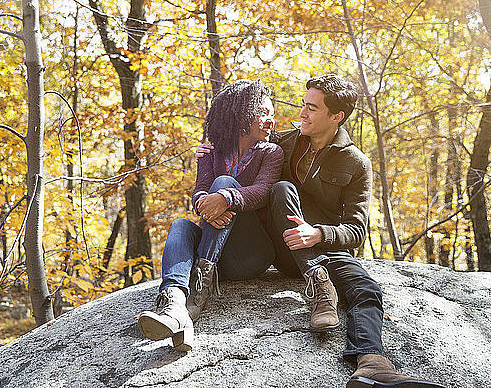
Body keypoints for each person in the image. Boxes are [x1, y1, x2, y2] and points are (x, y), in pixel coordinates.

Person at [197, 74, 444, 388]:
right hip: (280, 244)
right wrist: (210, 150)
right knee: (283, 187)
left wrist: (319, 234)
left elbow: (356, 231)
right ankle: (317, 286)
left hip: (322, 248)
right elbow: (239, 153)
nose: (302, 114)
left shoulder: (357, 163)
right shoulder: (280, 143)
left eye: (311, 109)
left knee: (365, 288)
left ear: (336, 116)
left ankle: (371, 363)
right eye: (303, 105)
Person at [137, 79, 284, 352]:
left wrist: (225, 198)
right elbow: (198, 193)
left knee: (223, 183)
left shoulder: (271, 152)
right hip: (220, 257)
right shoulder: (211, 152)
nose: (271, 120)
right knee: (180, 225)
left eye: (271, 114)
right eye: (264, 113)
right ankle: (176, 305)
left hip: (250, 254)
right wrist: (206, 204)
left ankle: (200, 288)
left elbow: (263, 191)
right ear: (243, 114)